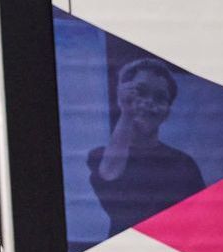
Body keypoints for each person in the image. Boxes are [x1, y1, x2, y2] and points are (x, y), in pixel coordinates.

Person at [88, 58, 205, 238]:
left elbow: (199, 221)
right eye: (140, 92)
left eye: (160, 97)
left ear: (167, 111)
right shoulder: (101, 156)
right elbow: (110, 175)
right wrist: (127, 112)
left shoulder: (184, 163)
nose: (149, 102)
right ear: (122, 97)